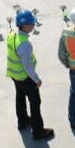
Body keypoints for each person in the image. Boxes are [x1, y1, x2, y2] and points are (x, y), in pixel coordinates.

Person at [6, 9, 54, 140]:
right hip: (25, 77)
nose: (34, 25)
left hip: (14, 75)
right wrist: (37, 80)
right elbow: (28, 66)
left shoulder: (12, 35)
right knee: (35, 102)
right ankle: (38, 131)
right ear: (26, 25)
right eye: (32, 23)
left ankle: (22, 121)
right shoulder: (25, 44)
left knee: (20, 97)